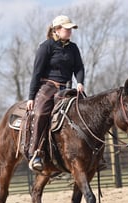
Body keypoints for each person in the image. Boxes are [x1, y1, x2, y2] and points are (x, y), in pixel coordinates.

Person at [26, 15, 85, 172]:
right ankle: (36, 153)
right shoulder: (46, 47)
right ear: (57, 30)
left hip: (68, 88)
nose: (70, 31)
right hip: (48, 87)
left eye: (71, 29)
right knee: (39, 114)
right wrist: (31, 97)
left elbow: (79, 67)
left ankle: (92, 154)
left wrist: (80, 82)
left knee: (86, 111)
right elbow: (36, 73)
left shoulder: (73, 48)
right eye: (67, 29)